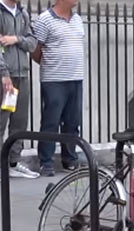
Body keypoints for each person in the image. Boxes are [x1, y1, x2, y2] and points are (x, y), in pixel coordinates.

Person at [31, 0, 84, 177]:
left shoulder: (77, 19)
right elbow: (35, 50)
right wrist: (51, 65)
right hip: (54, 79)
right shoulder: (44, 20)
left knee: (72, 121)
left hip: (76, 78)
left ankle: (70, 159)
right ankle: (46, 162)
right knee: (51, 122)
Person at [0, 0, 38, 178]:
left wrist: (15, 39)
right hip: (6, 77)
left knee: (19, 123)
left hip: (22, 75)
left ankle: (14, 163)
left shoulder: (23, 13)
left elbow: (32, 43)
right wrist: (3, 73)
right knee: (1, 122)